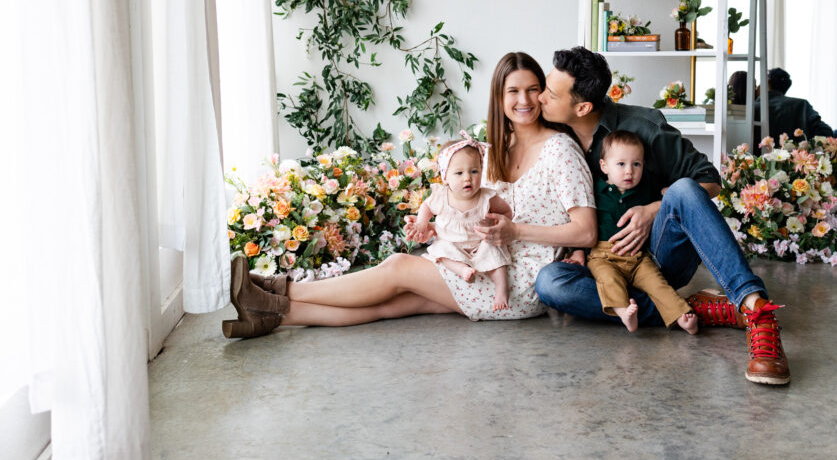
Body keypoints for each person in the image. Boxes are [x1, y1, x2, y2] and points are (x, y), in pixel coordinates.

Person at [222, 52, 597, 338]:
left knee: (398, 268)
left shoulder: (560, 151)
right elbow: (472, 208)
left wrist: (517, 232)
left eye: (534, 89)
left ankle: (276, 288)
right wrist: (438, 226)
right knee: (394, 304)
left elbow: (585, 232)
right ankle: (266, 316)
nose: (524, 100)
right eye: (513, 90)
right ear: (499, 98)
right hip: (474, 261)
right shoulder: (495, 149)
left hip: (516, 279)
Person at [535, 46, 790, 386]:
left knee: (685, 188)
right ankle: (691, 309)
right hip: (600, 265)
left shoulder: (644, 125)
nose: (540, 97)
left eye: (550, 93)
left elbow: (710, 180)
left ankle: (756, 310)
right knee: (550, 283)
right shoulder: (553, 133)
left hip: (655, 258)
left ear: (582, 107)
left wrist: (651, 212)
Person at [564, 130, 698, 334]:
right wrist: (577, 251)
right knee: (608, 281)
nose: (629, 171)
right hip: (603, 256)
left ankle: (681, 316)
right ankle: (624, 312)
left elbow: (667, 201)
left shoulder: (646, 189)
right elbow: (582, 223)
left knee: (657, 283)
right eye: (621, 164)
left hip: (638, 257)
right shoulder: (594, 191)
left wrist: (665, 195)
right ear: (604, 166)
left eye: (636, 164)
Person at [412, 134, 514, 311]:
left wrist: (500, 224)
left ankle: (501, 289)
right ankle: (462, 269)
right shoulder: (441, 196)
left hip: (480, 243)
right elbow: (426, 208)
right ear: (445, 176)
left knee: (496, 253)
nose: (467, 178)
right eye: (459, 173)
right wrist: (422, 223)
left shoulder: (487, 197)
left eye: (474, 171)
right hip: (451, 243)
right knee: (441, 251)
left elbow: (506, 211)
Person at [756, 67, 837, 188]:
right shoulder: (801, 105)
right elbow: (825, 132)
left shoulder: (753, 107)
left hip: (763, 164)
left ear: (767, 82)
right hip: (801, 165)